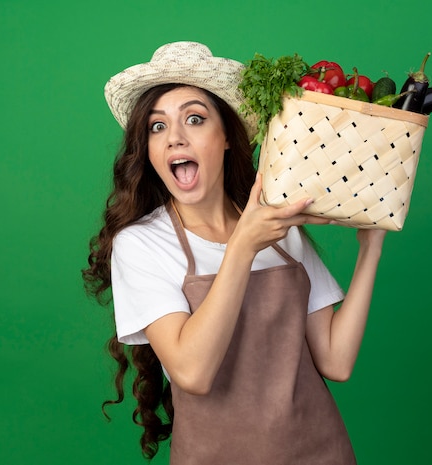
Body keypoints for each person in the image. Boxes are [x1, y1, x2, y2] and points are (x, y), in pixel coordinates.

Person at [83, 41, 387, 465]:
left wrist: (370, 247)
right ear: (148, 150)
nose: (174, 138)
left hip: (321, 451)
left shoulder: (278, 228)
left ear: (227, 137)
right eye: (156, 127)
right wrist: (242, 246)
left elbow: (336, 361)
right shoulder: (142, 245)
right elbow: (192, 372)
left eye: (194, 119)